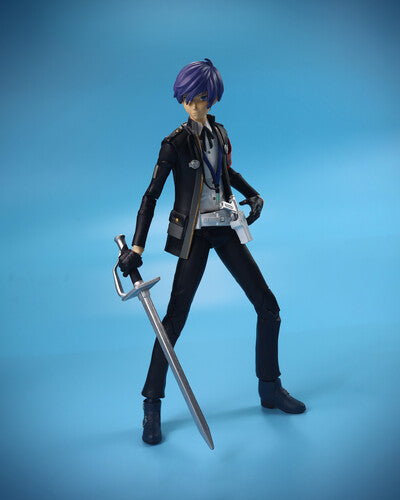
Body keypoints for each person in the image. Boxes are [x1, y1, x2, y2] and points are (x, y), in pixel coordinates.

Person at [119, 58, 306, 445]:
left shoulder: (219, 133)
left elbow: (225, 174)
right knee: (173, 321)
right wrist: (137, 247)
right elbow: (150, 196)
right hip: (194, 236)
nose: (192, 104)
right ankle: (151, 403)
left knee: (268, 306)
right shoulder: (173, 143)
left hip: (224, 227)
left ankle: (270, 388)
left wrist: (252, 193)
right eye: (187, 98)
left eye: (200, 97)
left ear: (212, 98)